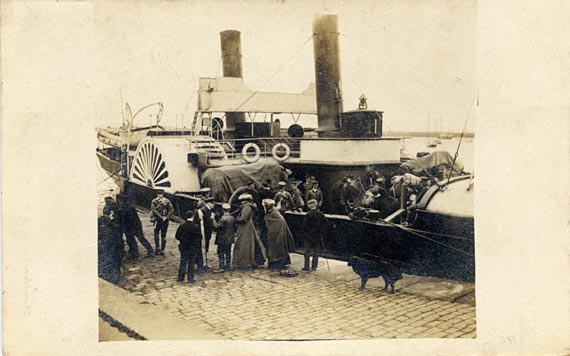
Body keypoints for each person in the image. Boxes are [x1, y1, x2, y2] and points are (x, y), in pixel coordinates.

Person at [263, 199, 295, 270]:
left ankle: (277, 264)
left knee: (276, 249)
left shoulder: (274, 213)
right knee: (272, 248)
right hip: (272, 234)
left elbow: (279, 222)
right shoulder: (270, 212)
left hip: (277, 234)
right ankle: (274, 263)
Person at [232, 194, 260, 269]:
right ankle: (248, 261)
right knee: (249, 243)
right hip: (249, 225)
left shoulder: (246, 207)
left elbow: (243, 219)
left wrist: (236, 218)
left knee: (243, 243)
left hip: (245, 227)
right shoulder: (249, 206)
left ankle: (243, 262)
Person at [175, 210, 202, 284]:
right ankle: (190, 279)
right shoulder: (196, 226)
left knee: (183, 261)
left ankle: (180, 278)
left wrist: (183, 240)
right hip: (192, 247)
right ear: (193, 217)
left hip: (183, 246)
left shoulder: (182, 226)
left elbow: (177, 236)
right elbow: (199, 237)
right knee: (191, 263)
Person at [98, 214, 124, 285]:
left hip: (114, 250)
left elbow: (105, 243)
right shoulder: (112, 228)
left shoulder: (107, 231)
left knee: (112, 264)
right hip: (117, 250)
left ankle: (114, 278)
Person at [302, 199, 327, 271]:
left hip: (309, 236)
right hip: (317, 236)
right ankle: (314, 267)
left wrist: (306, 233)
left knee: (307, 252)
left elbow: (304, 226)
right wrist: (321, 231)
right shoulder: (320, 214)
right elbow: (326, 224)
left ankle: (306, 267)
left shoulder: (308, 214)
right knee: (316, 252)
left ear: (311, 205)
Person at [212, 203, 236, 271]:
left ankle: (221, 267)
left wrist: (213, 219)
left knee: (220, 252)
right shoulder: (233, 218)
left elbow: (217, 226)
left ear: (223, 210)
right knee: (228, 252)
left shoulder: (222, 218)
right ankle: (228, 266)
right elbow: (235, 228)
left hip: (222, 238)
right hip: (230, 238)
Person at [150, 189, 174, 255]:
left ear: (157, 194)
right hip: (165, 220)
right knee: (164, 235)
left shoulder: (154, 201)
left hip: (157, 220)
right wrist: (166, 217)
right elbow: (171, 210)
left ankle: (157, 248)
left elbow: (153, 210)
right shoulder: (167, 201)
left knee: (156, 234)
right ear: (163, 193)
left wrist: (160, 217)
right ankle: (162, 250)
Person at [195, 197, 216, 270]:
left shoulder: (208, 210)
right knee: (203, 247)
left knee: (206, 247)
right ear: (209, 203)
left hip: (207, 232)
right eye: (213, 203)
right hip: (204, 232)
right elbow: (204, 222)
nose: (213, 205)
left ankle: (204, 262)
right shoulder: (204, 210)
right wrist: (211, 218)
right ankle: (201, 263)